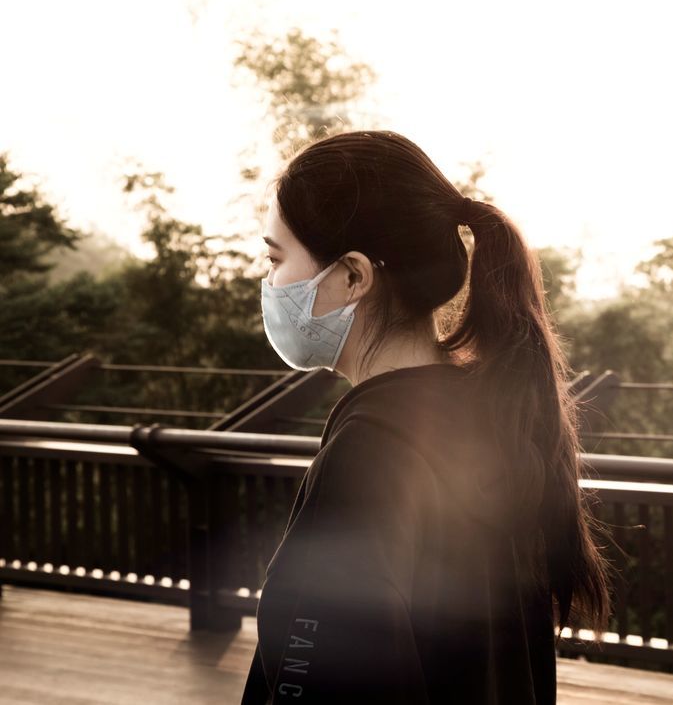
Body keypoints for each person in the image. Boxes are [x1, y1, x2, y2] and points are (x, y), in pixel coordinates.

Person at [240, 130, 612, 703]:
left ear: (353, 277)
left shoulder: (372, 446)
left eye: (276, 258)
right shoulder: (488, 412)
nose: (269, 282)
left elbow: (325, 669)